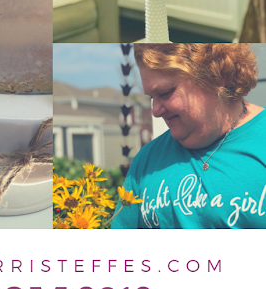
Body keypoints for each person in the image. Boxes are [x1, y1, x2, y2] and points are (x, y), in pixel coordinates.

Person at [111, 43, 266, 229]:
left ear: (216, 76)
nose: (155, 111)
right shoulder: (147, 161)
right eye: (152, 97)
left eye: (165, 93)